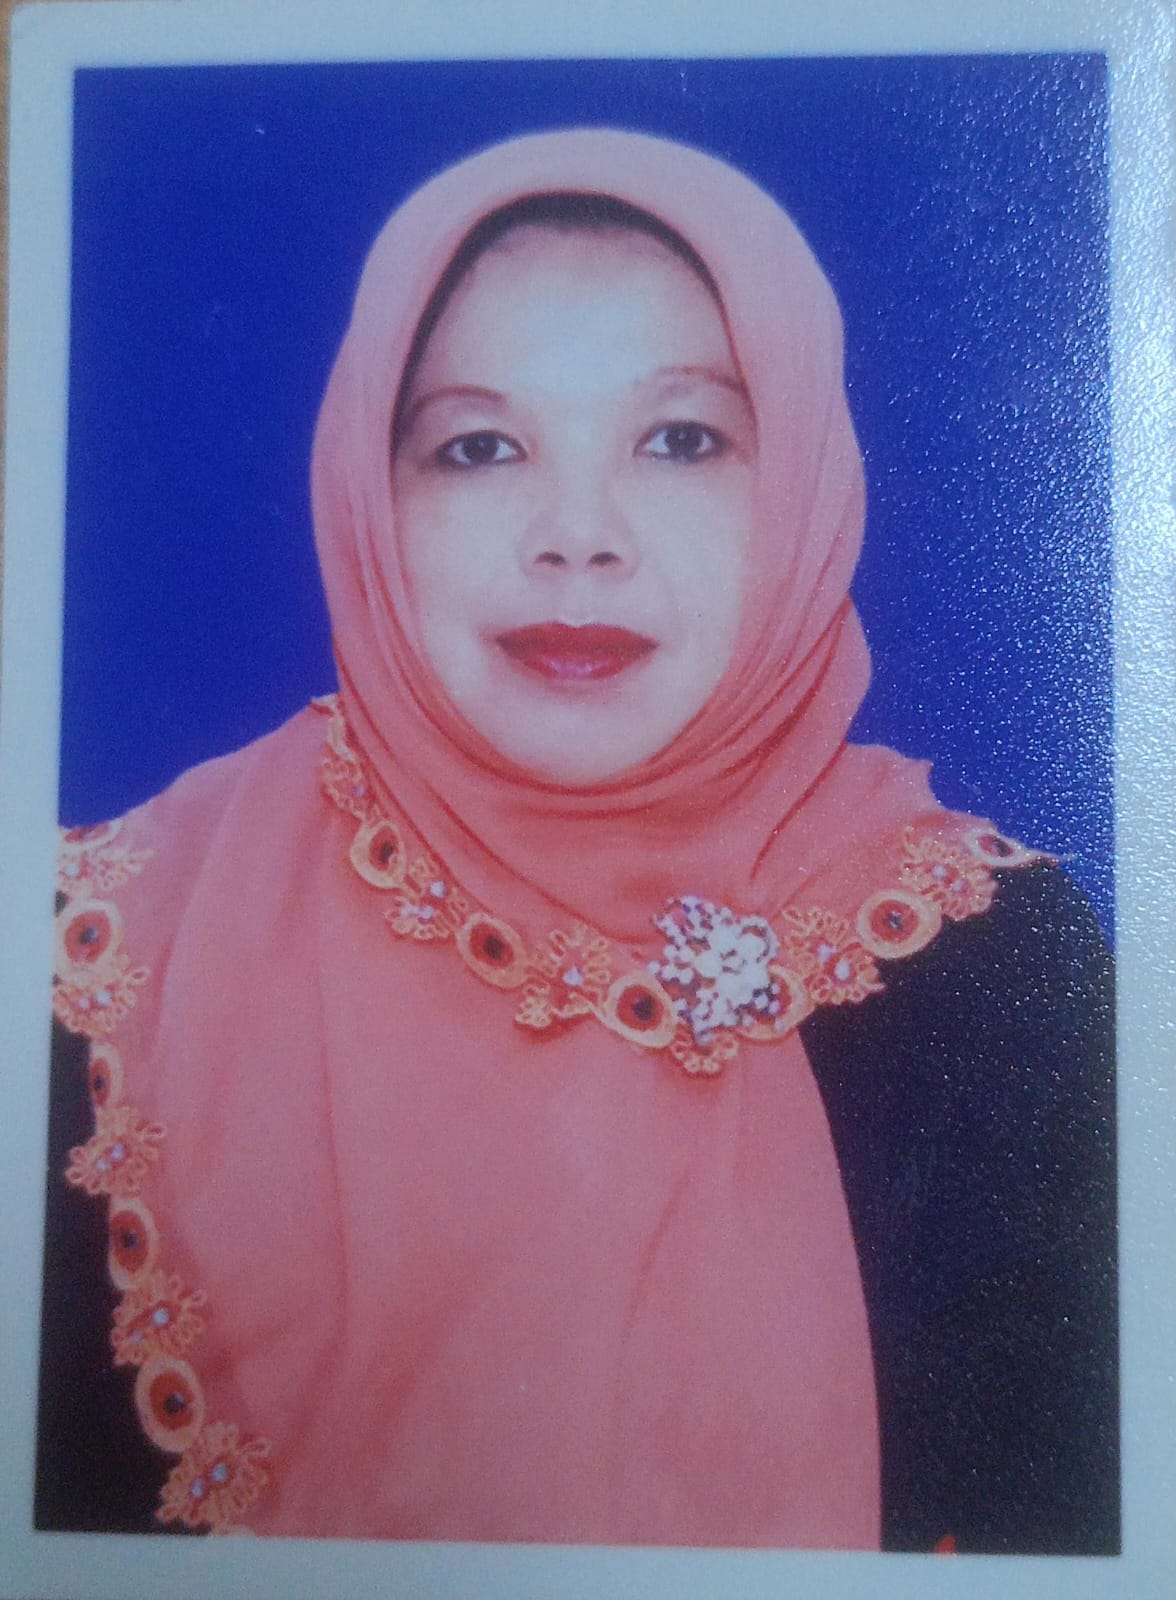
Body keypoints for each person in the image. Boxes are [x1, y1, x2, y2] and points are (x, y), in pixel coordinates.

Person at [37, 128, 1117, 1553]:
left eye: (681, 439)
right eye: (480, 447)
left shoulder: (995, 960)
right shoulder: (108, 960)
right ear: (369, 498)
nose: (578, 536)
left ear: (803, 480)